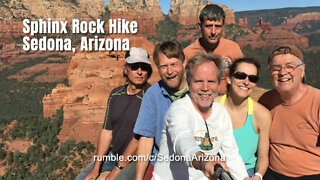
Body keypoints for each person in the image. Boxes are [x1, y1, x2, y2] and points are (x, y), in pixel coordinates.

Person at [152, 53, 250, 180]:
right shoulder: (178, 109)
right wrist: (203, 163)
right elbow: (182, 140)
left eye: (211, 81)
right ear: (189, 82)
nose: (205, 88)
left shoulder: (221, 113)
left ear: (219, 83)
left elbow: (231, 156)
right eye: (198, 81)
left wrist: (244, 178)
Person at [76, 47, 153, 180]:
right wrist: (96, 168)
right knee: (81, 178)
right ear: (125, 69)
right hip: (114, 155)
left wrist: (117, 169)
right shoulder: (115, 94)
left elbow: (139, 139)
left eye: (144, 67)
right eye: (134, 67)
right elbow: (107, 131)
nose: (140, 72)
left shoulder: (151, 97)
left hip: (137, 158)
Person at [258, 45, 320, 179]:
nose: (282, 72)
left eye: (289, 66)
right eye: (276, 68)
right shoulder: (265, 101)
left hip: (312, 175)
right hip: (272, 174)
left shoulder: (317, 101)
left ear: (302, 71)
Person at [133, 41, 188, 180]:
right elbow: (146, 139)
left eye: (174, 64)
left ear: (183, 63)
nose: (169, 72)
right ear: (157, 68)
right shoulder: (153, 94)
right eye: (164, 66)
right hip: (161, 163)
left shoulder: (200, 89)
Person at [215, 58, 271, 179]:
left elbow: (263, 156)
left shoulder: (262, 115)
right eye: (241, 76)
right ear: (229, 78)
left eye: (252, 78)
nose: (246, 82)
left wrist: (258, 176)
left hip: (246, 174)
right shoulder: (213, 107)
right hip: (215, 171)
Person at [184, 4, 243, 95]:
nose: (213, 32)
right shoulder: (188, 53)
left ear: (223, 27)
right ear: (200, 26)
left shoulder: (233, 48)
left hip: (227, 104)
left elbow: (244, 77)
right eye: (208, 26)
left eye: (218, 26)